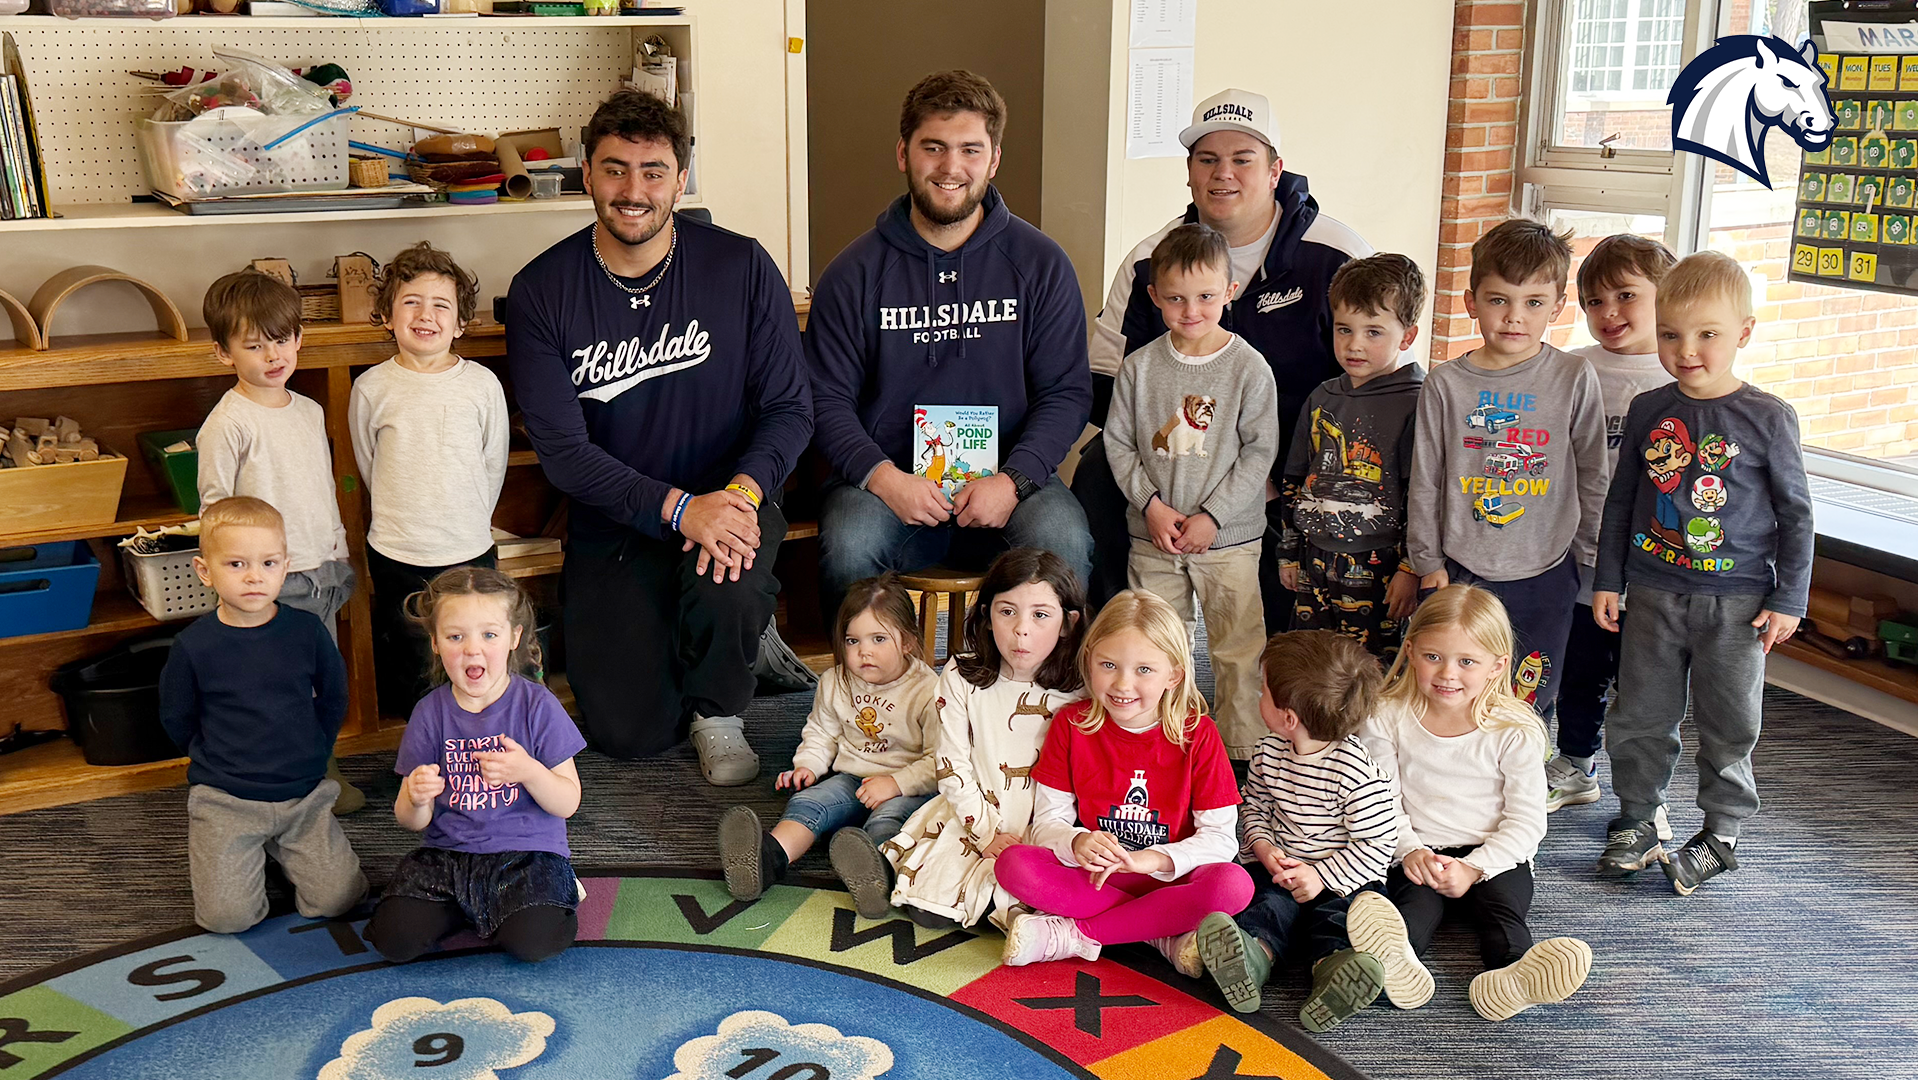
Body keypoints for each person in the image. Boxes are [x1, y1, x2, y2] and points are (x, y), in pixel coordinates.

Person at [507, 89, 812, 784]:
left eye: (652, 171)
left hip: (732, 497)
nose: (633, 191)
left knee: (727, 576)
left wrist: (737, 495)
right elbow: (564, 452)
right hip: (619, 519)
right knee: (628, 733)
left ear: (682, 177)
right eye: (615, 170)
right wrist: (678, 508)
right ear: (586, 173)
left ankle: (721, 701)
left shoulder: (740, 266)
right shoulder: (542, 289)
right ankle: (730, 641)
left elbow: (790, 408)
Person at [1077, 88, 1377, 619]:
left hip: (1295, 456)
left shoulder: (1336, 254)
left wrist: (1273, 470)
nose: (1224, 174)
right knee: (1099, 470)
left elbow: (1374, 372)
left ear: (1275, 170)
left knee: (1261, 636)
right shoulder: (1149, 260)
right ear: (1189, 172)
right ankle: (1120, 646)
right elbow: (1103, 382)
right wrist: (1163, 480)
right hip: (1172, 457)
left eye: (1243, 159)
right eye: (1207, 160)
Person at [807, 70, 1093, 622]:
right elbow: (824, 399)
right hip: (884, 484)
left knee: (1064, 539)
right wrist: (885, 479)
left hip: (1012, 482)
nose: (950, 168)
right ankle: (871, 700)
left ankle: (1040, 696)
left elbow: (1065, 391)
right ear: (902, 153)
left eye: (969, 149)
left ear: (994, 159)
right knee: (847, 545)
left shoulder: (1041, 264)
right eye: (932, 147)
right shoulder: (853, 273)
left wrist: (1013, 480)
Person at [1593, 250, 1812, 895]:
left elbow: (1796, 515)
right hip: (1653, 593)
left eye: (1707, 334)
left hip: (1738, 603)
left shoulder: (1768, 418)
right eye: (1670, 333)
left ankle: (1721, 832)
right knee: (1638, 713)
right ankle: (1636, 817)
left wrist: (1790, 596)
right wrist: (1610, 578)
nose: (1686, 350)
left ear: (1743, 332)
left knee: (1729, 721)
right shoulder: (1648, 408)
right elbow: (1623, 500)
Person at [1356, 585, 1593, 1022]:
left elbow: (1526, 821)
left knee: (1502, 915)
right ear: (1409, 650)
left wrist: (1475, 867)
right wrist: (1409, 851)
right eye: (1433, 657)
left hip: (1496, 857)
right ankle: (1392, 965)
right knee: (1409, 915)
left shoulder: (1515, 728)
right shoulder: (1385, 715)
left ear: (1497, 666)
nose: (1448, 674)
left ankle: (1512, 977)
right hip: (1418, 852)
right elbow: (1380, 801)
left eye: (1467, 661)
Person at [1405, 219, 1608, 718]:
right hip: (1461, 570)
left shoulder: (1573, 376)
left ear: (1557, 306)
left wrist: (1592, 559)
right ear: (1472, 302)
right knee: (1450, 689)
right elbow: (1426, 478)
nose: (1515, 317)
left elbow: (1592, 474)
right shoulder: (1446, 383)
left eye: (1534, 303)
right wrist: (1427, 562)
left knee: (1530, 695)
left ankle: (1520, 789)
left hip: (1547, 569)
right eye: (1499, 300)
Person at [994, 591, 1255, 970]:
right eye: (1109, 665)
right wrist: (1077, 841)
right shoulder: (1071, 724)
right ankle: (1159, 931)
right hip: (1099, 877)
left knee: (1234, 885)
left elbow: (1220, 840)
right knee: (1013, 864)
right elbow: (1047, 824)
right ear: (1089, 660)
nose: (1122, 684)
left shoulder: (1199, 734)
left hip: (1170, 879)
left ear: (1174, 675)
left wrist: (1150, 860)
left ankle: (1073, 935)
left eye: (1144, 670)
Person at [1106, 223, 1278, 759]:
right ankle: (1160, 744)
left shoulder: (1249, 368)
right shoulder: (1138, 369)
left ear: (1230, 291)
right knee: (1156, 645)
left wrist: (1214, 516)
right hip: (1155, 536)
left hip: (1228, 539)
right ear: (1154, 296)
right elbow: (1118, 445)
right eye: (1176, 298)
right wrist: (1151, 507)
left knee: (1237, 648)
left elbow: (1258, 452)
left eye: (1205, 296)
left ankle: (1241, 752)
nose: (1191, 310)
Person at [157, 497, 366, 934]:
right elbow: (178, 717)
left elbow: (333, 697)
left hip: (303, 795)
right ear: (204, 571)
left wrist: (315, 748)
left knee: (340, 899)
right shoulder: (193, 646)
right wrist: (214, 757)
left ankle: (280, 850)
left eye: (268, 563)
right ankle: (251, 852)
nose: (255, 576)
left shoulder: (305, 631)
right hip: (226, 800)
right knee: (226, 919)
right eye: (236, 564)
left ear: (285, 565)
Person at [196, 269, 364, 814]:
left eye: (283, 339)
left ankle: (322, 771)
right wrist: (240, 578)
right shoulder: (228, 424)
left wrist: (338, 551)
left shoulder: (310, 411)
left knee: (322, 679)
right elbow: (214, 509)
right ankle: (301, 782)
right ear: (224, 353)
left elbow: (319, 489)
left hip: (321, 569)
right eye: (253, 345)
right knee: (282, 686)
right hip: (271, 581)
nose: (273, 354)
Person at [365, 568, 586, 964]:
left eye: (489, 634)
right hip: (447, 857)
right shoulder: (429, 713)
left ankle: (550, 890)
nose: (472, 650)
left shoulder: (537, 705)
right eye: (455, 636)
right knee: (393, 941)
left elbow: (568, 802)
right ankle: (473, 906)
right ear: (435, 643)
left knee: (535, 944)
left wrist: (529, 771)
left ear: (514, 638)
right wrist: (416, 798)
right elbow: (409, 820)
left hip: (527, 855)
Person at [1192, 630, 1395, 1031]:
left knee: (1341, 920)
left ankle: (1334, 971)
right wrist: (1264, 846)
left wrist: (1320, 876)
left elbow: (1377, 845)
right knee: (1265, 907)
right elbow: (1254, 805)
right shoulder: (1268, 751)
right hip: (1281, 869)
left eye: (1263, 690)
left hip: (1343, 879)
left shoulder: (1355, 771)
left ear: (1289, 718)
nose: (1257, 696)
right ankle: (1252, 960)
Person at [881, 549, 1089, 930]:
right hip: (973, 814)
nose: (1021, 629)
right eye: (1007, 611)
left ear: (1067, 624)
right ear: (986, 615)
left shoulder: (1082, 690)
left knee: (1038, 900)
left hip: (1047, 823)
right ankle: (882, 861)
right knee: (927, 910)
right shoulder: (960, 676)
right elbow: (952, 765)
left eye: (1040, 615)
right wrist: (987, 833)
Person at [349, 241, 509, 718]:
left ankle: (476, 740)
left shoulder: (481, 384)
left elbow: (492, 463)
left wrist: (471, 523)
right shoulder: (371, 387)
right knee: (412, 657)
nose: (426, 314)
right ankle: (420, 754)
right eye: (410, 302)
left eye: (441, 305)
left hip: (468, 548)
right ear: (387, 316)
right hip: (398, 552)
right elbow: (367, 462)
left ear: (460, 322)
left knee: (472, 651)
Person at [719, 574, 939, 918]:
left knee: (886, 823)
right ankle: (767, 860)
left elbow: (940, 761)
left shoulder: (928, 690)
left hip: (908, 786)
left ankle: (879, 878)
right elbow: (822, 731)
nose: (864, 651)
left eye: (878, 639)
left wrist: (896, 784)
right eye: (853, 641)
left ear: (908, 642)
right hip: (853, 776)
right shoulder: (836, 681)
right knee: (809, 802)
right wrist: (807, 766)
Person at [1547, 234, 1677, 816]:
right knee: (1581, 668)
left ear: (1666, 295)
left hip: (1653, 561)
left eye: (1627, 296)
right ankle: (1575, 764)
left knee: (1646, 683)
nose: (1610, 314)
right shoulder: (1574, 369)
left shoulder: (1681, 375)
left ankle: (1645, 795)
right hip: (1581, 552)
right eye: (1594, 302)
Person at [1277, 254, 1427, 662]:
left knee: (1370, 672)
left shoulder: (1420, 402)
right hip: (1315, 562)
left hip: (1380, 567)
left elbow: (1423, 496)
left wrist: (1411, 570)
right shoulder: (1322, 397)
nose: (1354, 344)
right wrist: (1290, 552)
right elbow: (1296, 480)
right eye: (1344, 329)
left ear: (1407, 336)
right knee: (1311, 663)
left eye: (1373, 331)